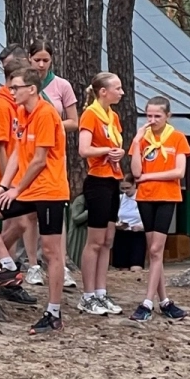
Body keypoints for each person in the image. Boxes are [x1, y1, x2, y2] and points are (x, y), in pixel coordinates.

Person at [0, 62, 72, 333]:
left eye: (15, 87)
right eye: (10, 86)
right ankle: (6, 265)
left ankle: (53, 313)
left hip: (49, 191)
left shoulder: (46, 114)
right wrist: (4, 187)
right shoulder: (21, 113)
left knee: (51, 252)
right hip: (24, 189)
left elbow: (39, 161)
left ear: (31, 88)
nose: (11, 91)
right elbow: (16, 154)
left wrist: (16, 189)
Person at [127, 96, 190, 322]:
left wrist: (149, 176)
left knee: (156, 250)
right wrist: (136, 142)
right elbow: (136, 172)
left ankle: (146, 302)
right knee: (153, 252)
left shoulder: (177, 138)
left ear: (168, 116)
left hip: (167, 196)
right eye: (149, 115)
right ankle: (164, 301)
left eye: (157, 116)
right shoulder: (143, 139)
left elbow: (179, 172)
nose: (152, 120)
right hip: (145, 197)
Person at [23, 43, 79, 292]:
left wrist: (51, 122)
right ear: (29, 59)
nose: (41, 65)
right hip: (27, 154)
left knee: (56, 208)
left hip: (53, 156)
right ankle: (32, 264)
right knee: (29, 212)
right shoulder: (23, 85)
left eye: (46, 60)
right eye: (37, 59)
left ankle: (60, 263)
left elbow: (74, 121)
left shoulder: (61, 86)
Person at [76, 73, 129, 316]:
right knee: (95, 241)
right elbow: (84, 149)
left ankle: (100, 291)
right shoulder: (90, 114)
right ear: (103, 92)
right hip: (97, 181)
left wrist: (119, 152)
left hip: (113, 180)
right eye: (117, 88)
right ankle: (86, 295)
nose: (122, 92)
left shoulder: (114, 117)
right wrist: (108, 149)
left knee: (108, 239)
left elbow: (116, 146)